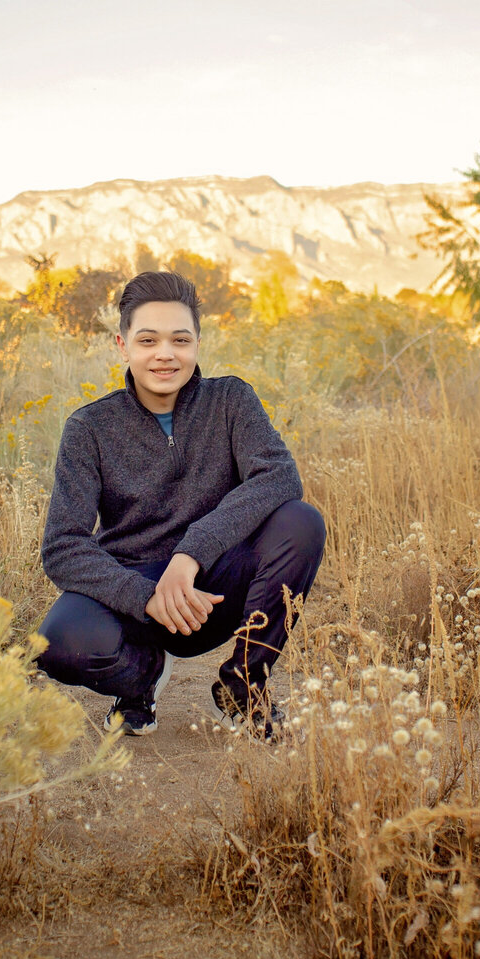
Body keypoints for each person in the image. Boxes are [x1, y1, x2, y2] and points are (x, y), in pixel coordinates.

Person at [35, 270, 326, 739]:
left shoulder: (231, 399)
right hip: (137, 599)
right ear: (122, 344)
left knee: (301, 522)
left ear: (197, 343)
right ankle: (142, 678)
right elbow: (63, 547)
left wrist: (190, 554)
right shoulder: (89, 428)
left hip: (214, 588)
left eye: (180, 339)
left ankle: (243, 686)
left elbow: (278, 476)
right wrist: (144, 596)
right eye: (147, 340)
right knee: (58, 643)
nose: (165, 354)